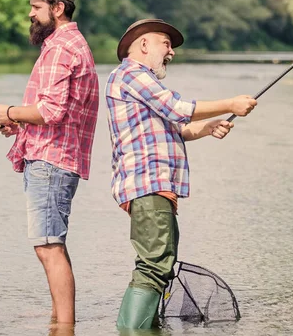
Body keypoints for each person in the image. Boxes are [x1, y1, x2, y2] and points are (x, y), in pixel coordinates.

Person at [105, 19, 257, 329]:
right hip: (148, 184)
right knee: (155, 264)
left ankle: (135, 328)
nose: (171, 51)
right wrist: (230, 103)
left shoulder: (137, 79)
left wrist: (209, 126)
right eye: (166, 43)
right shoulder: (132, 74)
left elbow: (176, 127)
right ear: (144, 44)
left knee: (157, 262)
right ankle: (132, 330)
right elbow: (176, 107)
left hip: (152, 187)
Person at [0, 0, 99, 325]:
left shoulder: (61, 48)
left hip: (51, 162)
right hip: (56, 158)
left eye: (36, 7)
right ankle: (58, 321)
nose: (31, 14)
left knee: (49, 246)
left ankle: (64, 326)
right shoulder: (73, 44)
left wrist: (7, 111)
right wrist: (18, 122)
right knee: (51, 244)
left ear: (58, 7)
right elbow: (57, 111)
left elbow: (50, 111)